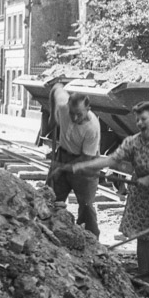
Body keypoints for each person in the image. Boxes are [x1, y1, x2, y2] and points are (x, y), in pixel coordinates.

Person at [71, 102, 149, 289]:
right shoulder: (133, 141)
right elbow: (113, 159)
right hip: (142, 197)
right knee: (143, 237)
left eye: (143, 119)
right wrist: (87, 166)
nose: (139, 123)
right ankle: (145, 279)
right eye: (137, 120)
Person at [47, 83, 101, 238]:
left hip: (85, 163)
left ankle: (92, 240)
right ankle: (49, 234)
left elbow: (85, 158)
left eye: (79, 114)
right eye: (72, 113)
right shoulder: (64, 107)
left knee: (86, 205)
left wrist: (63, 168)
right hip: (63, 154)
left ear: (88, 110)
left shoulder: (92, 128)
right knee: (50, 198)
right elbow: (56, 87)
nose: (75, 118)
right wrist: (52, 115)